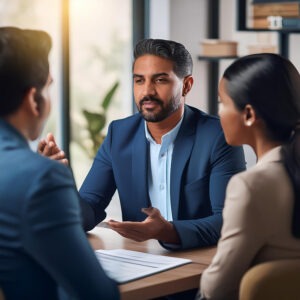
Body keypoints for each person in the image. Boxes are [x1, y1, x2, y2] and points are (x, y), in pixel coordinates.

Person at [40, 38, 246, 251]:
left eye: (160, 80)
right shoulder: (118, 135)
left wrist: (167, 231)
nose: (147, 91)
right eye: (139, 80)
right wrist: (59, 180)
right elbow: (86, 215)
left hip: (200, 262)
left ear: (186, 85)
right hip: (141, 260)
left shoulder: (217, 136)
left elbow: (228, 221)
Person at [0, 27, 119, 300]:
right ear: (33, 100)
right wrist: (38, 173)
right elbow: (97, 294)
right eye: (49, 86)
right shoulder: (39, 179)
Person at [199, 53, 300, 300]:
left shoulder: (252, 186)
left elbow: (216, 289)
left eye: (222, 103)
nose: (218, 113)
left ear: (248, 114)